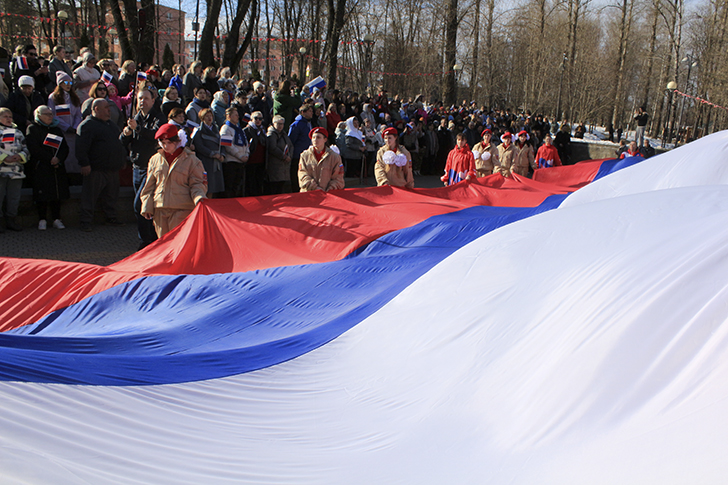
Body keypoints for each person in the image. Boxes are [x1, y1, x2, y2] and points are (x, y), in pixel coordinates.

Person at [139, 123, 206, 237]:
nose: (165, 146)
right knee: (164, 243)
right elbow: (149, 186)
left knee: (178, 242)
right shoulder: (155, 159)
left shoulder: (191, 160)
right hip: (160, 209)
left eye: (169, 142)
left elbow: (197, 184)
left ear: (177, 141)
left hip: (182, 209)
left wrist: (199, 198)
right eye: (162, 143)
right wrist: (147, 206)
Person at [121, 88, 165, 249]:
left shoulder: (158, 117)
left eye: (146, 98)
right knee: (144, 206)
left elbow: (155, 135)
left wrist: (138, 129)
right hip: (137, 166)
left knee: (140, 204)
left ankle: (146, 241)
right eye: (140, 98)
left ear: (153, 100)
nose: (142, 101)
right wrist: (126, 133)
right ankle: (149, 238)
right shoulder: (136, 118)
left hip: (151, 167)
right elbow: (123, 142)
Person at [75, 98, 126, 232]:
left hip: (112, 168)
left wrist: (121, 160)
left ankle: (111, 217)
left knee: (111, 196)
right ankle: (85, 221)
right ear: (96, 109)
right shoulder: (87, 125)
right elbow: (81, 147)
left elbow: (119, 143)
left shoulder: (111, 125)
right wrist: (84, 163)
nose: (109, 110)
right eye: (106, 108)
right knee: (89, 196)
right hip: (95, 169)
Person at [26, 105, 70, 230]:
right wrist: (49, 159)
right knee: (42, 194)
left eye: (51, 114)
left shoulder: (56, 129)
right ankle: (42, 219)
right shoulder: (33, 129)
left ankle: (57, 218)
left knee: (57, 193)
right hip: (41, 166)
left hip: (56, 167)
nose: (50, 116)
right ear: (39, 115)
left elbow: (64, 148)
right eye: (47, 114)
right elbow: (34, 148)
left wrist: (58, 159)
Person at [47, 71, 83, 175]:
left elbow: (78, 114)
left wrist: (75, 127)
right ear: (60, 84)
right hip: (60, 131)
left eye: (70, 83)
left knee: (73, 154)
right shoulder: (53, 97)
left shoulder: (74, 97)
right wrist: (66, 127)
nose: (68, 85)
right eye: (66, 82)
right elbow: (53, 115)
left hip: (73, 133)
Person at [0, 107, 29, 232]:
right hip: (1, 170)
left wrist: (21, 156)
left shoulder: (18, 132)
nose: (8, 119)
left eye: (10, 117)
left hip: (16, 171)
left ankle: (11, 220)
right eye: (5, 116)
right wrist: (4, 158)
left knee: (14, 198)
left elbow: (26, 148)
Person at [298, 127, 345, 192]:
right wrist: (315, 188)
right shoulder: (304, 156)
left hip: (328, 194)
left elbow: (338, 177)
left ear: (325, 139)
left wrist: (330, 189)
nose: (315, 140)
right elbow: (302, 174)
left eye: (318, 137)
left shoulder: (334, 157)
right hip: (309, 193)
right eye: (313, 137)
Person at [191, 107, 224, 196]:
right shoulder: (198, 131)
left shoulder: (216, 130)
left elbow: (222, 144)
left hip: (216, 162)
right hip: (205, 161)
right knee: (206, 185)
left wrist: (222, 155)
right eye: (207, 116)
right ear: (202, 118)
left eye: (211, 116)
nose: (209, 118)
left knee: (215, 188)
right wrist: (212, 154)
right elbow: (199, 146)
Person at [219, 107, 249, 198]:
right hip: (230, 162)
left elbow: (246, 143)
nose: (237, 117)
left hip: (240, 162)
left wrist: (246, 154)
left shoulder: (239, 129)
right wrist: (240, 156)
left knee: (237, 187)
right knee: (229, 187)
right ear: (229, 116)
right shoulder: (225, 128)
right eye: (235, 115)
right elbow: (227, 145)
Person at [288, 103, 313, 191]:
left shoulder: (308, 123)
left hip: (307, 154)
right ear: (303, 112)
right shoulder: (297, 124)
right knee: (296, 175)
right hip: (297, 155)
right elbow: (291, 140)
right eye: (309, 111)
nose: (312, 113)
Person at [266, 114, 293, 194]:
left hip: (284, 166)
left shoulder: (284, 134)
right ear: (273, 124)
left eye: (282, 124)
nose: (280, 126)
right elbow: (272, 148)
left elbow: (291, 146)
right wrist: (283, 156)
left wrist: (289, 156)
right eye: (278, 124)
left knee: (282, 187)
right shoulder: (271, 135)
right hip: (275, 165)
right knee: (275, 188)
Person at [243, 110, 267, 196]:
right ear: (251, 119)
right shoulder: (246, 130)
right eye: (256, 118)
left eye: (260, 119)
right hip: (250, 161)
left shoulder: (262, 130)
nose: (258, 120)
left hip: (261, 161)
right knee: (250, 183)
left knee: (259, 183)